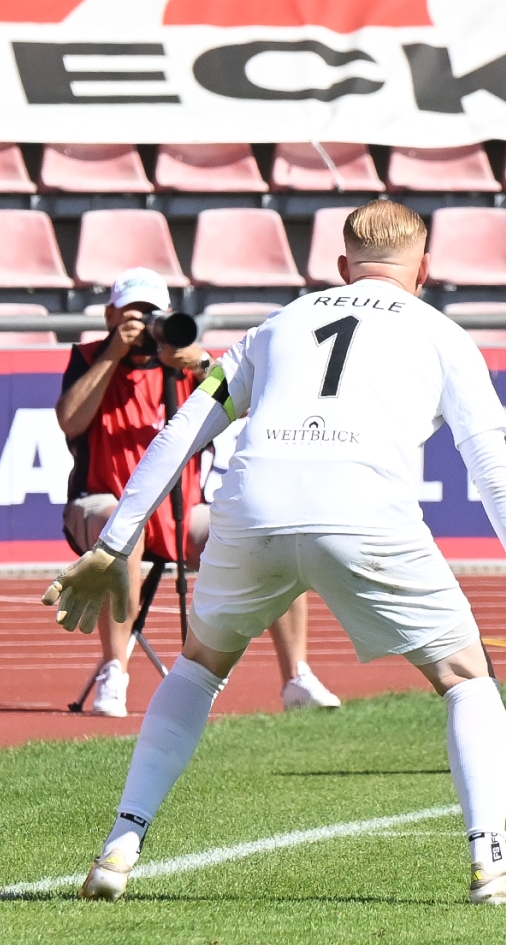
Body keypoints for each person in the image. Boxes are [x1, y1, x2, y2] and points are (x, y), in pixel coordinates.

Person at [45, 201, 506, 905]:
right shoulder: (443, 334)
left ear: (342, 267)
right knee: (467, 676)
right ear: (425, 269)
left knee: (198, 666)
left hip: (253, 506)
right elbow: (493, 470)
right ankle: (492, 867)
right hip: (363, 511)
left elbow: (182, 429)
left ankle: (120, 846)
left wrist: (114, 540)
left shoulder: (276, 324)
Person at [57, 268, 340, 716]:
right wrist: (114, 352)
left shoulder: (184, 364)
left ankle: (297, 677)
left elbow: (249, 405)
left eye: (152, 314)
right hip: (100, 500)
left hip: (181, 509)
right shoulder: (90, 357)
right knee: (119, 524)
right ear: (111, 315)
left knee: (270, 532)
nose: (144, 324)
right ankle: (115, 671)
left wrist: (202, 365)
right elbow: (70, 420)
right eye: (133, 313)